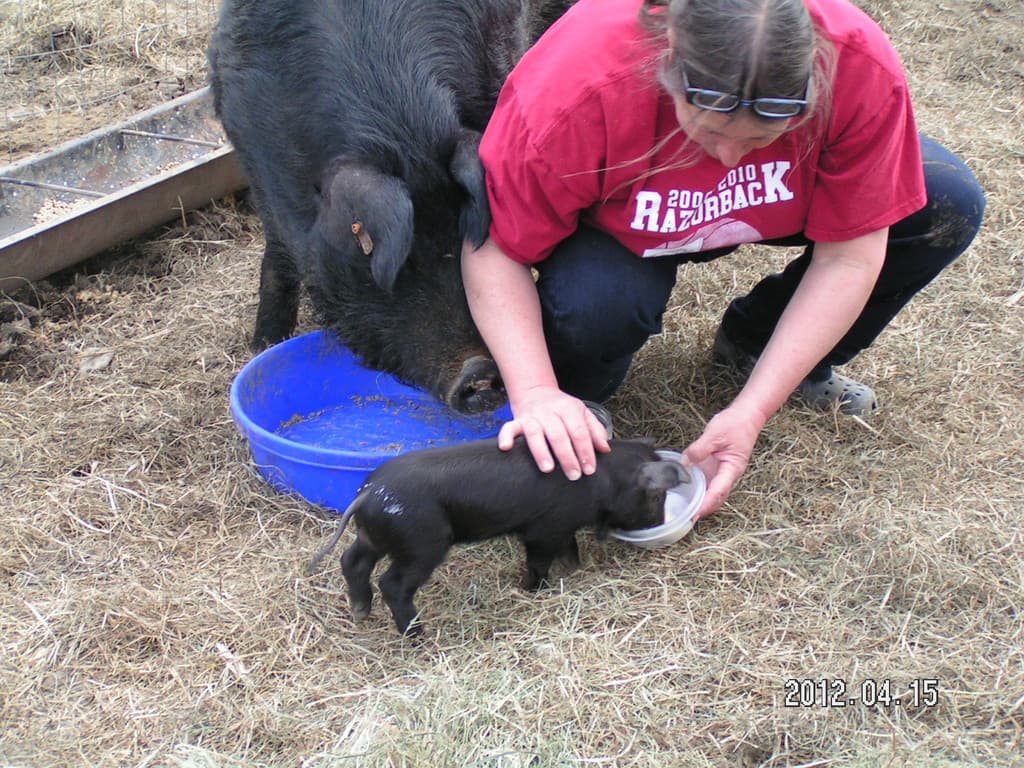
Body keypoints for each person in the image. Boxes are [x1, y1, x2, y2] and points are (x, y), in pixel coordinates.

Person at [462, 0, 985, 519]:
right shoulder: (578, 82)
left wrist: (752, 411)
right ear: (667, 67)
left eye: (762, 139)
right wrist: (536, 393)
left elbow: (849, 258)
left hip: (782, 201)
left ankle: (755, 347)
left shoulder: (859, 65)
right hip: (618, 231)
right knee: (597, 305)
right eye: (708, 130)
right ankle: (577, 397)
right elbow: (493, 249)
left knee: (944, 204)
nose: (729, 158)